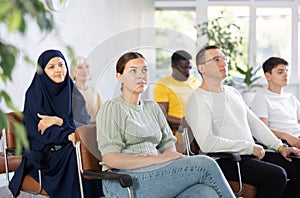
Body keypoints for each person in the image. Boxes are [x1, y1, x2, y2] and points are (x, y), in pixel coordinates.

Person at [96, 51, 235, 198]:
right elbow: (111, 159)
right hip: (124, 181)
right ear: (120, 77)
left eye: (144, 70)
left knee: (205, 193)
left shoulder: (152, 108)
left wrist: (164, 157)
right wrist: (155, 159)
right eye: (133, 71)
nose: (141, 75)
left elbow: (169, 147)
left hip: (154, 173)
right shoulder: (112, 108)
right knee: (206, 164)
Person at [186, 45, 300, 198]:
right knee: (276, 175)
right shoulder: (198, 99)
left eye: (224, 59)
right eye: (216, 60)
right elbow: (207, 143)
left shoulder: (233, 92)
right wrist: (248, 147)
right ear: (202, 68)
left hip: (249, 155)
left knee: (297, 165)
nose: (223, 63)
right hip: (226, 160)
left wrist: (280, 147)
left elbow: (254, 123)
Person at [9, 49, 102, 197]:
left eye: (61, 64)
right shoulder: (34, 94)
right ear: (42, 71)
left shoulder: (72, 91)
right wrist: (68, 135)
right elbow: (42, 132)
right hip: (46, 155)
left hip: (71, 144)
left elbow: (84, 124)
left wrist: (59, 121)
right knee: (76, 153)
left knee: (89, 149)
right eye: (51, 67)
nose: (58, 69)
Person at [153, 50, 200, 152]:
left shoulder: (195, 82)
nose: (187, 71)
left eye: (189, 68)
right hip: (178, 129)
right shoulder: (163, 84)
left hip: (197, 125)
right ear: (173, 67)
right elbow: (161, 115)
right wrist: (186, 121)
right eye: (183, 68)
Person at [251, 57, 300, 148]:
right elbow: (262, 129)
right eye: (280, 72)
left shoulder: (291, 97)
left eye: (286, 71)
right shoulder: (261, 98)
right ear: (268, 76)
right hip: (284, 142)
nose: (286, 75)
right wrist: (286, 136)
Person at [70, 56, 102, 123]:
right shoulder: (70, 93)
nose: (84, 70)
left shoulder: (94, 92)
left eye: (87, 67)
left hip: (95, 129)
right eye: (80, 67)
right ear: (72, 73)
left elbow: (102, 115)